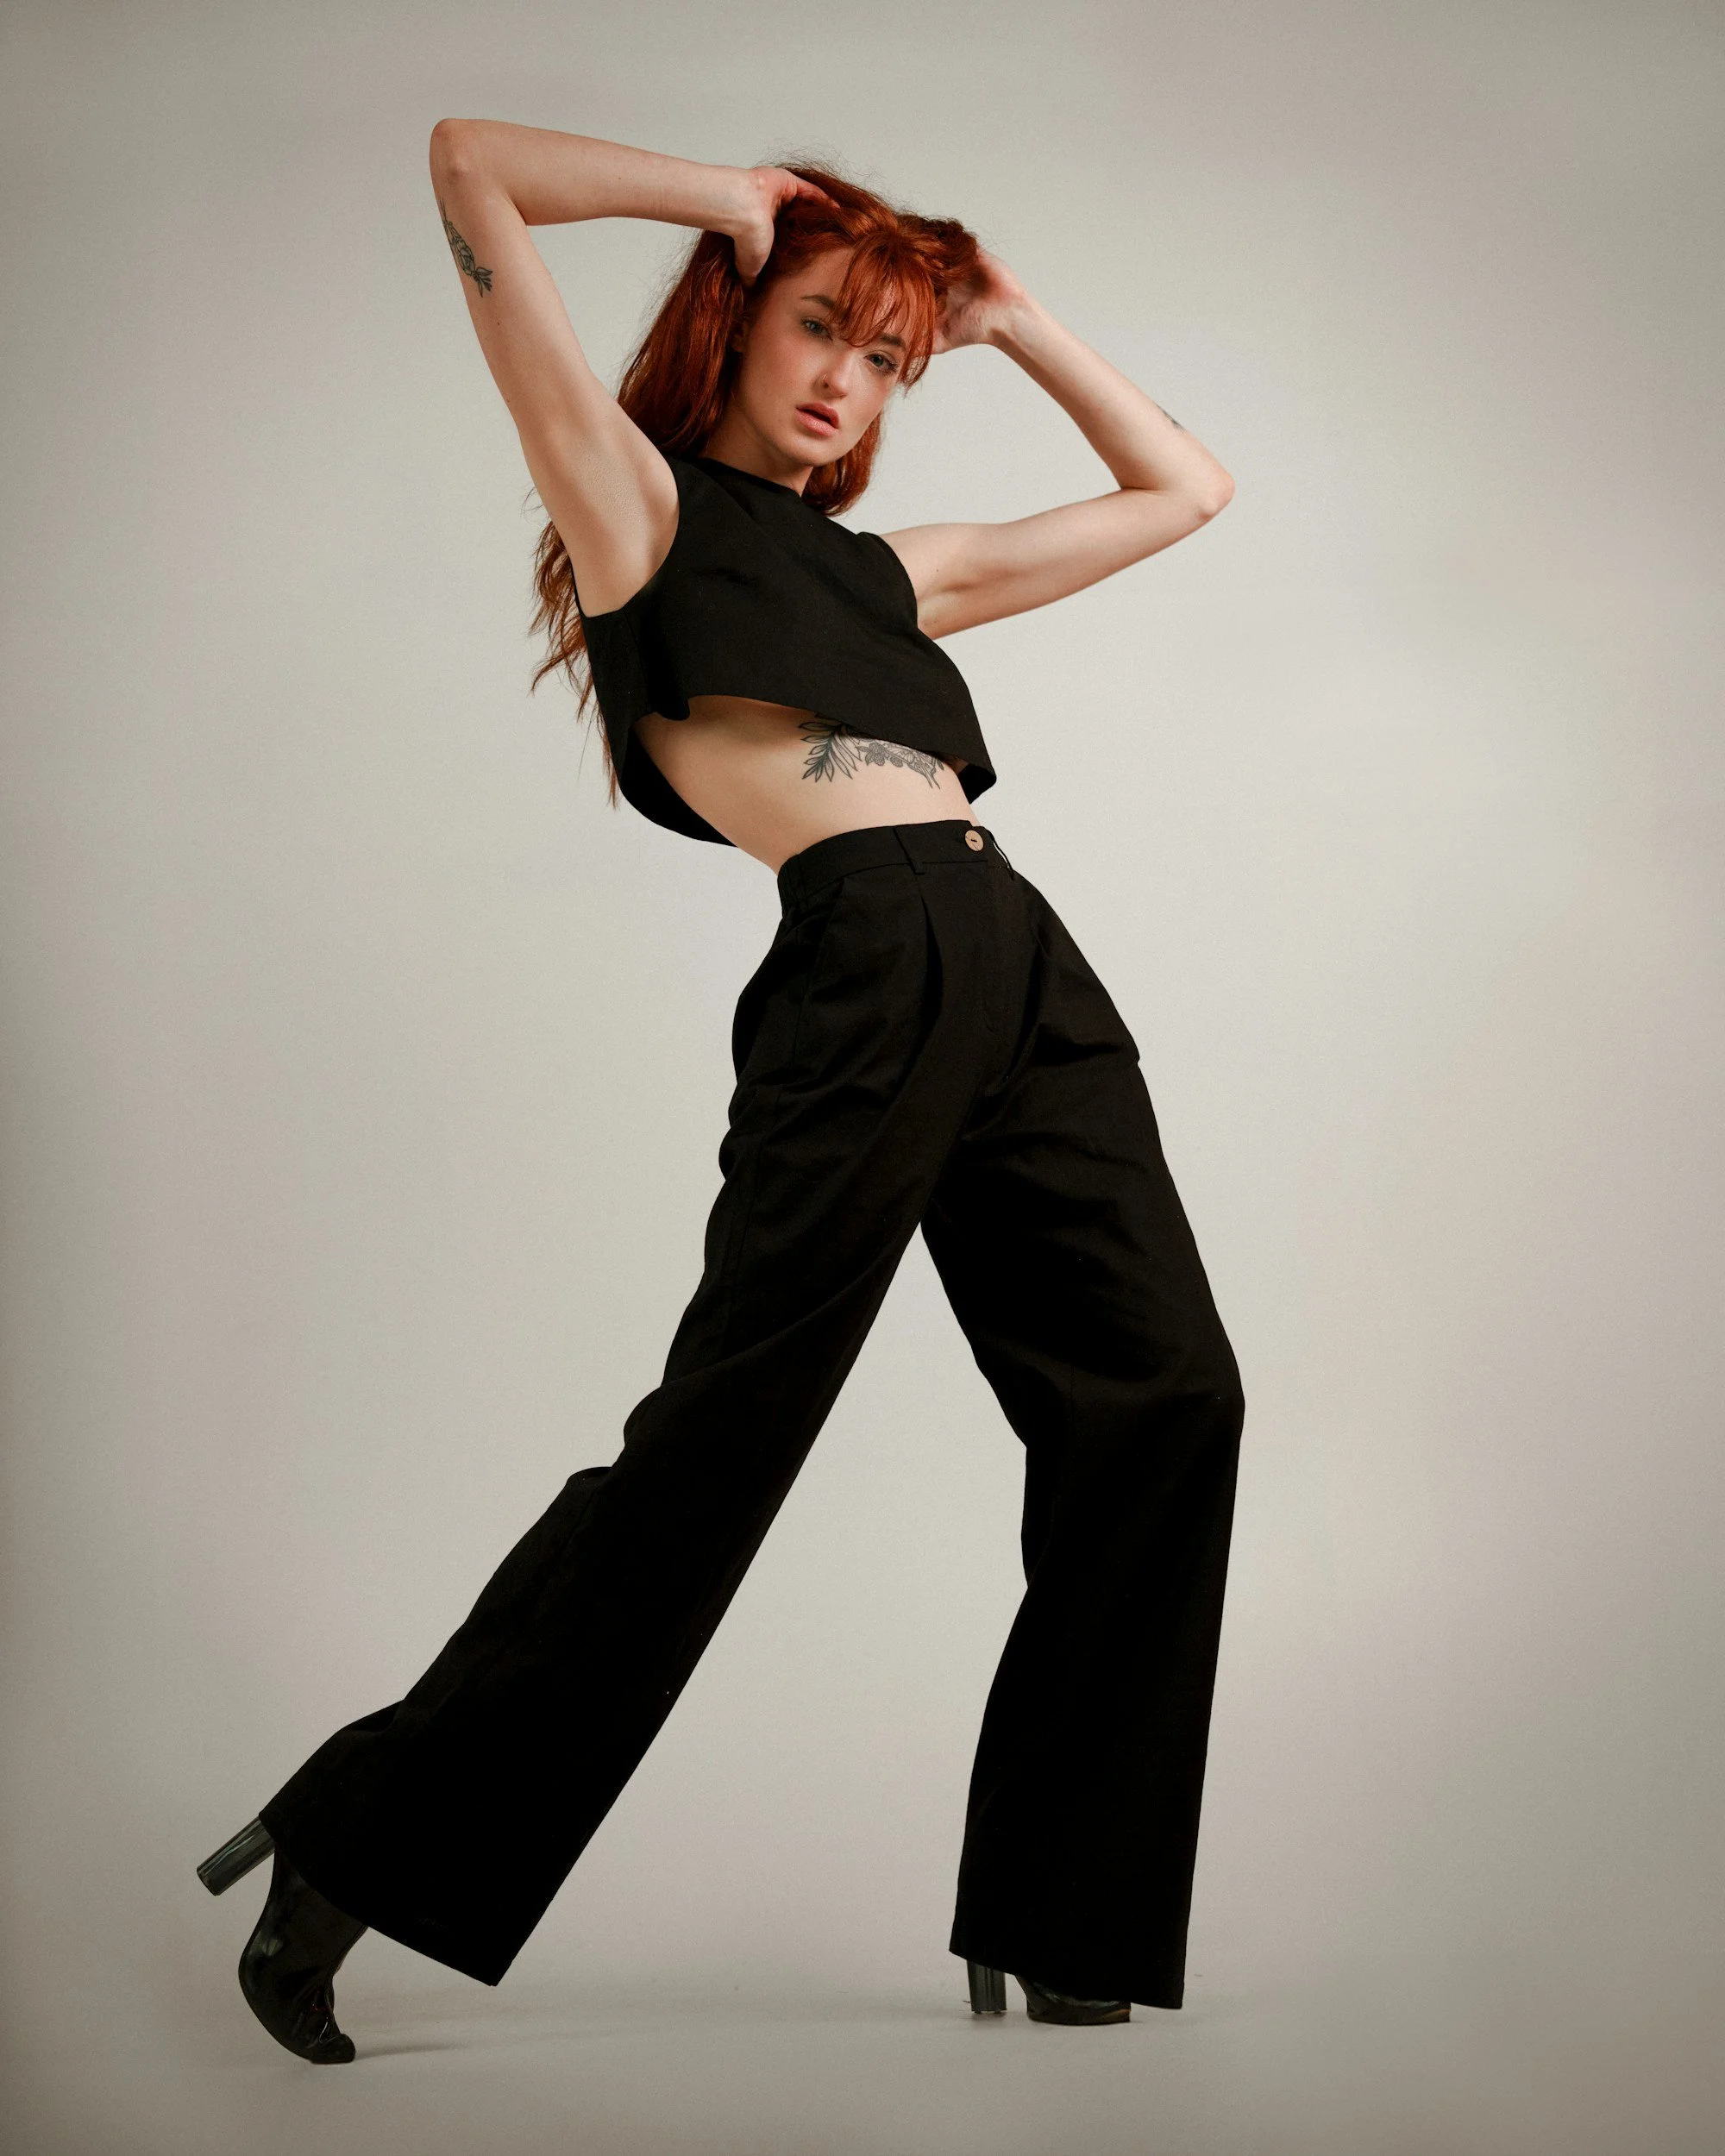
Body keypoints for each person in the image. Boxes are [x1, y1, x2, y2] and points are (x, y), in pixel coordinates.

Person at [196, 119, 1245, 2059]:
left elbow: (1186, 488)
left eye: (887, 359)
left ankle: (1059, 1904)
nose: (848, 378)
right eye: (822, 327)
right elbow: (464, 174)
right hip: (869, 966)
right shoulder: (636, 511)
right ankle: (355, 1835)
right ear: (740, 321)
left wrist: (1007, 323)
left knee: (1167, 1392)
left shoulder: (882, 573)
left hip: (1025, 965)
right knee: (716, 1448)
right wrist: (731, 204)